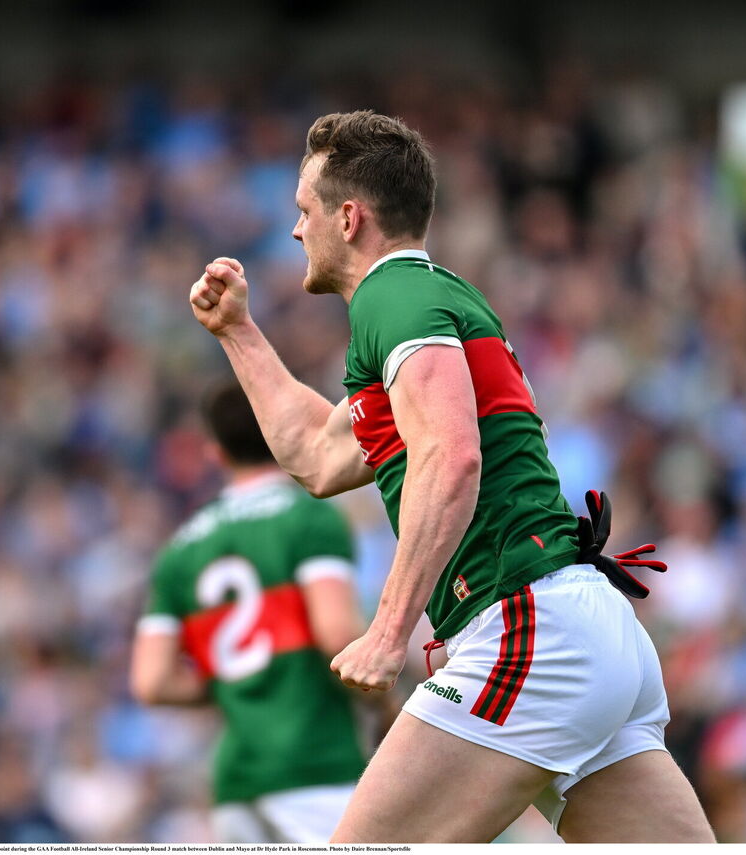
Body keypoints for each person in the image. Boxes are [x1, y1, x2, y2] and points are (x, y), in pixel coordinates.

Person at [187, 110, 715, 843]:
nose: (296, 231)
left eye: (304, 212)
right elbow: (316, 454)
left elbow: (452, 453)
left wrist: (387, 630)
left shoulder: (391, 297)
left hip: (530, 627)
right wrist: (239, 333)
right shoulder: (424, 302)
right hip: (581, 630)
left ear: (350, 216)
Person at [130, 381, 372, 844]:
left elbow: (152, 681)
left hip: (236, 781)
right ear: (287, 430)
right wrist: (384, 704)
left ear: (216, 453)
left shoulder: (180, 550)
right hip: (316, 761)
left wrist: (234, 682)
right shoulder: (309, 517)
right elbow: (338, 634)